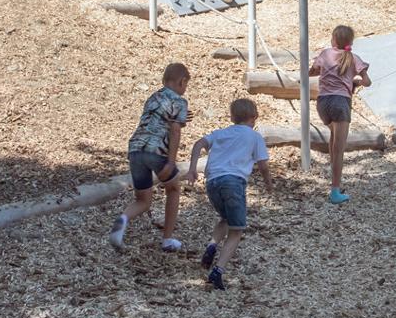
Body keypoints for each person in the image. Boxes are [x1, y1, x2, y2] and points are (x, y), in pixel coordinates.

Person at [185, 98, 272, 291]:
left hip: (212, 182)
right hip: (233, 183)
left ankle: (212, 245)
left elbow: (199, 144)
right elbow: (263, 165)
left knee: (225, 217)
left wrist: (193, 169)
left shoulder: (221, 133)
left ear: (232, 117)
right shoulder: (254, 136)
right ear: (255, 116)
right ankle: (218, 271)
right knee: (236, 230)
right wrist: (268, 183)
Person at [107, 62, 190, 253]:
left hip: (136, 149)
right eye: (186, 85)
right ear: (182, 81)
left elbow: (159, 118)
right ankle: (167, 239)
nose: (185, 89)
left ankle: (123, 219)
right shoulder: (180, 101)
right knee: (174, 189)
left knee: (143, 200)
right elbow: (175, 130)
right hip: (156, 150)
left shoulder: (153, 97)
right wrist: (171, 160)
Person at [309, 24, 372, 203]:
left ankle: (333, 175)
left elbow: (313, 71)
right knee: (339, 149)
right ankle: (335, 191)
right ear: (351, 42)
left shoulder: (325, 54)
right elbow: (367, 82)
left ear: (333, 40)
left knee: (333, 137)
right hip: (340, 102)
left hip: (323, 103)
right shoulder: (354, 58)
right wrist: (356, 82)